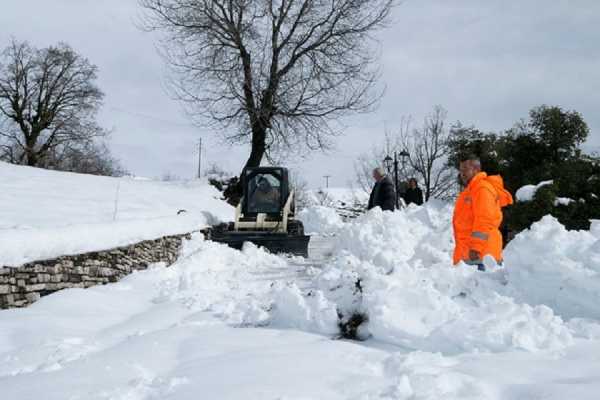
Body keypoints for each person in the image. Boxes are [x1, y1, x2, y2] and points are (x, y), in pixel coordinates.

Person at [452, 155, 513, 270]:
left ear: (477, 170)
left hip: (481, 256)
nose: (462, 173)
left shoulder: (482, 189)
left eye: (465, 169)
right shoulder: (471, 190)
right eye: (460, 170)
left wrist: (476, 247)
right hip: (472, 255)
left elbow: (484, 219)